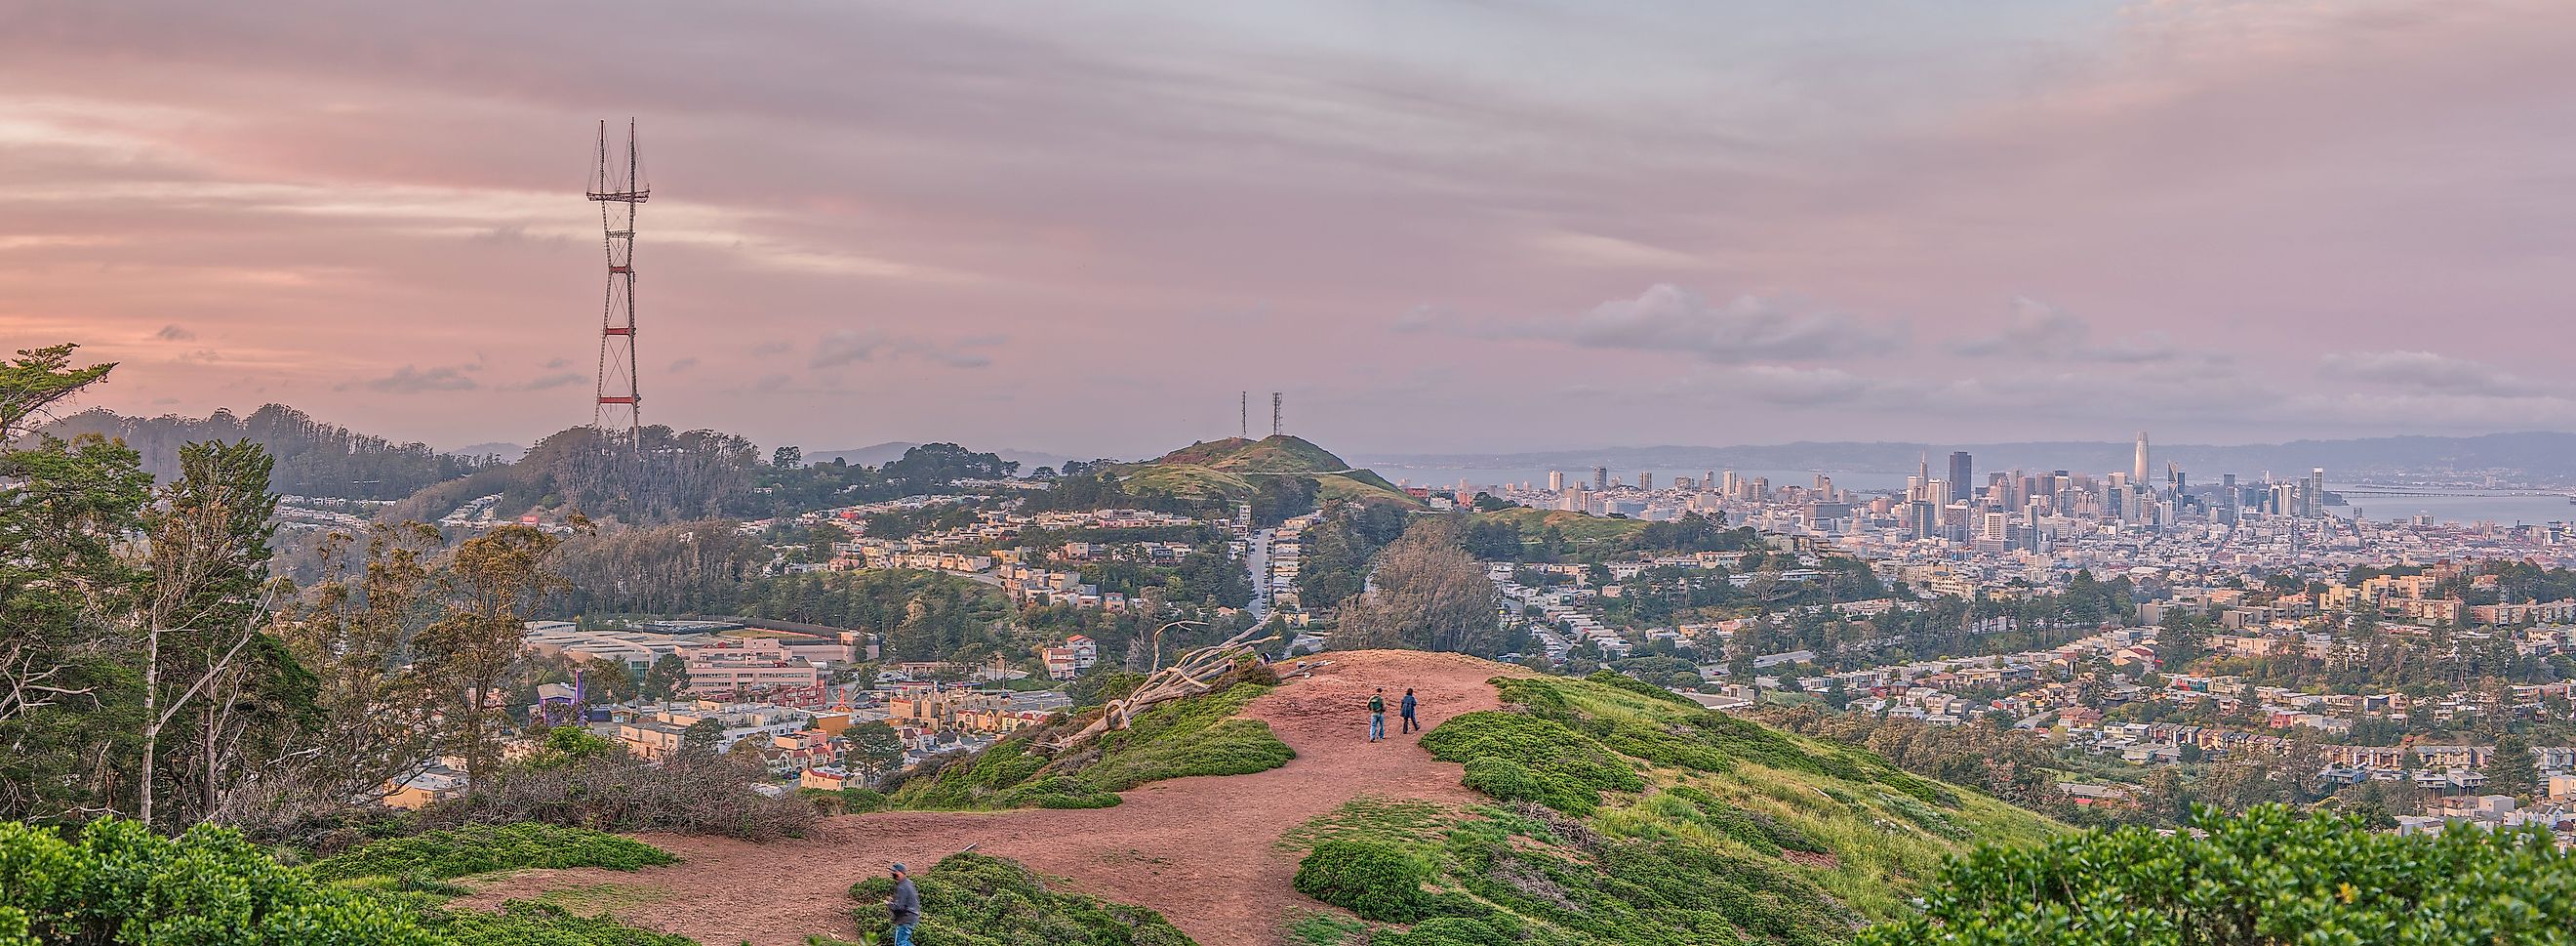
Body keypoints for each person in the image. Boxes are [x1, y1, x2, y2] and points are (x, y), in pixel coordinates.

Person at [888, 862, 920, 946]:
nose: (893, 874)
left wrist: (889, 904)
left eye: (895, 872)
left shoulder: (902, 887)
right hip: (911, 917)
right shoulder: (908, 883)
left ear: (901, 873)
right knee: (903, 941)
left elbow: (899, 906)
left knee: (900, 944)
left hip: (906, 918)